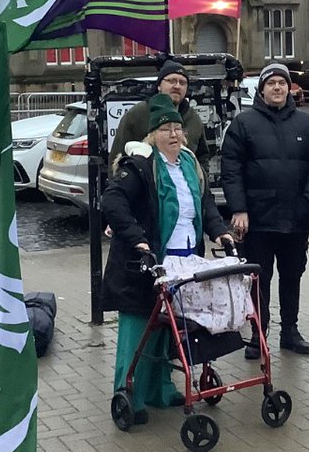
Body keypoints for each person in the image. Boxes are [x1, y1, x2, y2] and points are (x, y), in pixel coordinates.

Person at [100, 93, 234, 424]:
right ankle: (130, 394)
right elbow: (113, 202)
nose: (173, 134)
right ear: (152, 135)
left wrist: (220, 231)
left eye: (177, 128)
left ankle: (162, 390)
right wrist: (139, 241)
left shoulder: (190, 165)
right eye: (165, 129)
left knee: (170, 332)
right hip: (147, 264)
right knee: (139, 329)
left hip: (185, 261)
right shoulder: (140, 166)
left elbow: (205, 206)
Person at [221, 61, 309, 360]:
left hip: (296, 218)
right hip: (258, 220)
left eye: (282, 83)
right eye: (271, 83)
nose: (278, 88)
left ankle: (290, 331)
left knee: (292, 276)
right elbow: (231, 169)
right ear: (262, 89)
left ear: (289, 88)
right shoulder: (244, 124)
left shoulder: (306, 124)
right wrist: (239, 208)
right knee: (259, 279)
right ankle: (259, 333)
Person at [110, 59, 210, 171]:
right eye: (171, 81)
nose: (177, 86)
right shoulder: (137, 114)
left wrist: (202, 183)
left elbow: (203, 157)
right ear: (159, 86)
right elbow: (117, 157)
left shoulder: (193, 119)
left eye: (182, 82)